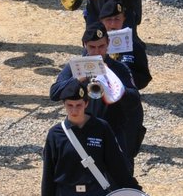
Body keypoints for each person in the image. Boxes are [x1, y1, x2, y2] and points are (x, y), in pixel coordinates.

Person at [51, 23, 145, 167]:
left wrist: (113, 83)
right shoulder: (75, 67)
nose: (97, 52)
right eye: (92, 47)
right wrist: (78, 80)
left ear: (108, 44)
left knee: (119, 177)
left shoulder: (119, 68)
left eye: (101, 46)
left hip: (112, 131)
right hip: (82, 130)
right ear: (84, 45)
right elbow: (54, 93)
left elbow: (134, 100)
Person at [98, 0, 152, 90]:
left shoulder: (134, 46)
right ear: (101, 21)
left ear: (124, 19)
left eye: (117, 19)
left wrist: (126, 75)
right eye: (108, 19)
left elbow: (144, 78)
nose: (113, 24)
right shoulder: (93, 45)